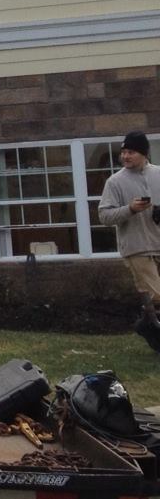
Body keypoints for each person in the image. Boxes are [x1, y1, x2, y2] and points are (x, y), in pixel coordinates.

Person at [97, 130, 160, 342]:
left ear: (144, 153)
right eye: (123, 152)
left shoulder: (158, 174)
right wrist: (130, 209)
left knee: (155, 302)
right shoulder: (114, 182)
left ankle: (146, 325)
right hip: (136, 248)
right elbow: (104, 216)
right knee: (157, 295)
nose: (125, 156)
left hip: (158, 241)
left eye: (131, 152)